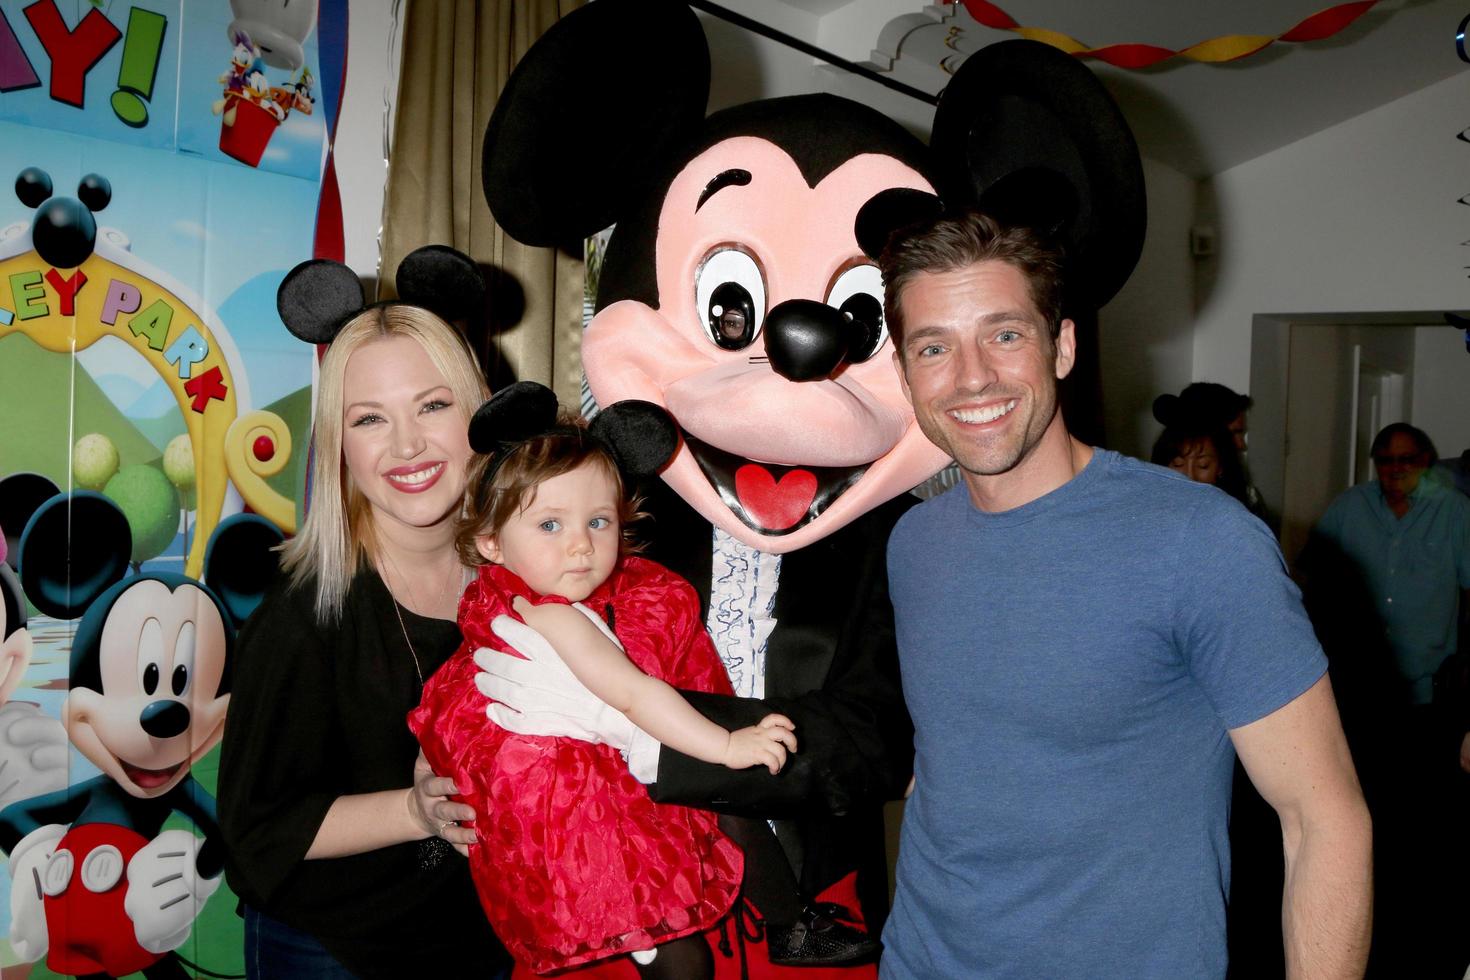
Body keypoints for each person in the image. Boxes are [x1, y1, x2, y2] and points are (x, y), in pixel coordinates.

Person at [876, 210, 1372, 979]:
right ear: (906, 375)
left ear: (1062, 346)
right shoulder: (913, 545)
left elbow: (1324, 819)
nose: (972, 376)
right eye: (934, 347)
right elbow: (959, 757)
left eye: (1005, 335)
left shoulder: (1199, 541)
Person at [410, 387, 880, 976]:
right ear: (490, 542)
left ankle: (770, 920)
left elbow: (438, 710)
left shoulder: (509, 600)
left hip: (583, 818)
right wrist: (728, 745)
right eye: (551, 524)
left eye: (598, 521)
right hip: (587, 828)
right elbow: (633, 695)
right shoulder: (551, 614)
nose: (581, 545)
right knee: (677, 956)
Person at [217, 303, 510, 978]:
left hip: (482, 939)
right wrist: (413, 809)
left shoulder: (523, 585)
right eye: (370, 418)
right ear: (339, 446)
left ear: (477, 415)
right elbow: (258, 831)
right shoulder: (304, 618)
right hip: (334, 949)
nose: (407, 445)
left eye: (432, 406)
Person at [1306, 422, 1470, 976]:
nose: (1396, 471)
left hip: (1428, 697)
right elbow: (1309, 580)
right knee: (1362, 811)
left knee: (1421, 823)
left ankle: (1413, 928)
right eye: (1385, 461)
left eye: (1407, 461)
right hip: (1360, 696)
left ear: (1426, 460)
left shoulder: (1454, 513)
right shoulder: (1349, 509)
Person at [1150, 422, 1249, 504]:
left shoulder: (1235, 514)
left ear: (1220, 468)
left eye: (1203, 465)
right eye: (1178, 464)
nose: (1190, 476)